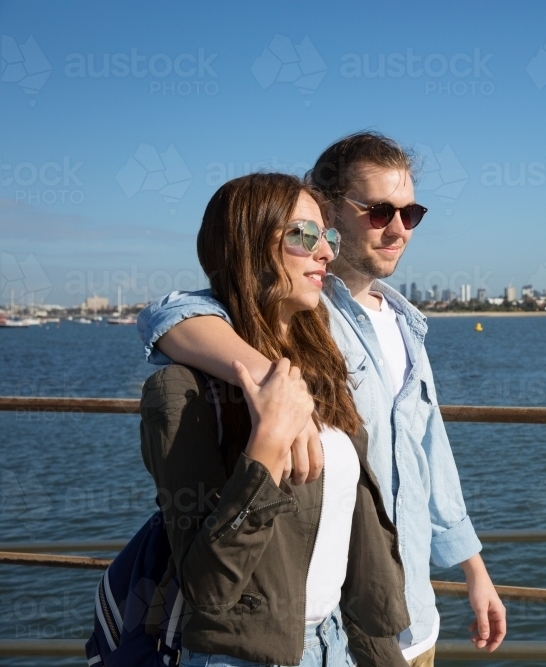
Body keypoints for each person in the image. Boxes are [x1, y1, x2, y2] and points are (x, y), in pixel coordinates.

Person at [137, 132, 505, 667]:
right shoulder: (304, 316)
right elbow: (165, 313)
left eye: (411, 213)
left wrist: (474, 570)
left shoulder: (400, 326)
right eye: (380, 212)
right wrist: (275, 389)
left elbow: (430, 457)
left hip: (395, 617)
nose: (399, 228)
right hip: (297, 634)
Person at [140, 173, 409, 667]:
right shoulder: (184, 392)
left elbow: (355, 547)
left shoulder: (321, 368)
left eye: (327, 236)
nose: (326, 253)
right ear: (247, 246)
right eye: (304, 236)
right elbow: (207, 586)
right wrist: (264, 448)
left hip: (341, 644)